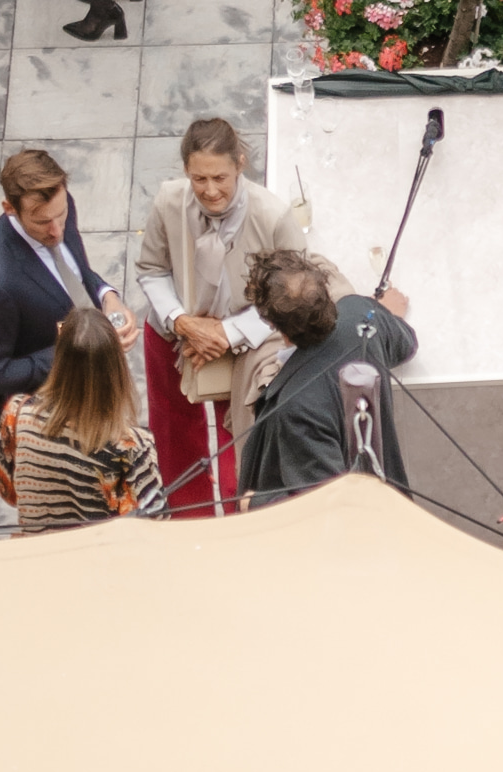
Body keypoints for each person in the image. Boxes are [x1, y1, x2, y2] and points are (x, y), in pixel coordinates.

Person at [134, 117, 345, 514]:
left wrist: (227, 334)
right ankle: (188, 520)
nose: (210, 190)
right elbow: (152, 270)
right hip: (174, 335)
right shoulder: (167, 201)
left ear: (240, 164)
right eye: (198, 179)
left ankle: (239, 518)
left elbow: (296, 294)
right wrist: (182, 322)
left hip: (246, 346)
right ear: (185, 172)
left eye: (220, 177)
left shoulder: (273, 216)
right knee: (174, 437)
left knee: (241, 441)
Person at [238, 252, 417, 503]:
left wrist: (255, 503)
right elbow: (406, 343)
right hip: (390, 511)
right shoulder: (361, 316)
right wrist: (383, 314)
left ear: (269, 321)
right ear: (324, 291)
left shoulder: (295, 407)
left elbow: (327, 501)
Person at [0, 146, 134, 404]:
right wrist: (80, 349)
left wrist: (107, 296)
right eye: (42, 222)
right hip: (52, 409)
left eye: (61, 215)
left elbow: (75, 270)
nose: (56, 231)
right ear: (9, 208)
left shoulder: (58, 206)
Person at [8, 307, 161, 530]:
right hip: (97, 559)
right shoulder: (131, 446)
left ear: (59, 358)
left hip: (37, 556)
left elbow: (9, 492)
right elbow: (154, 524)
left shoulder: (17, 413)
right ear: (115, 369)